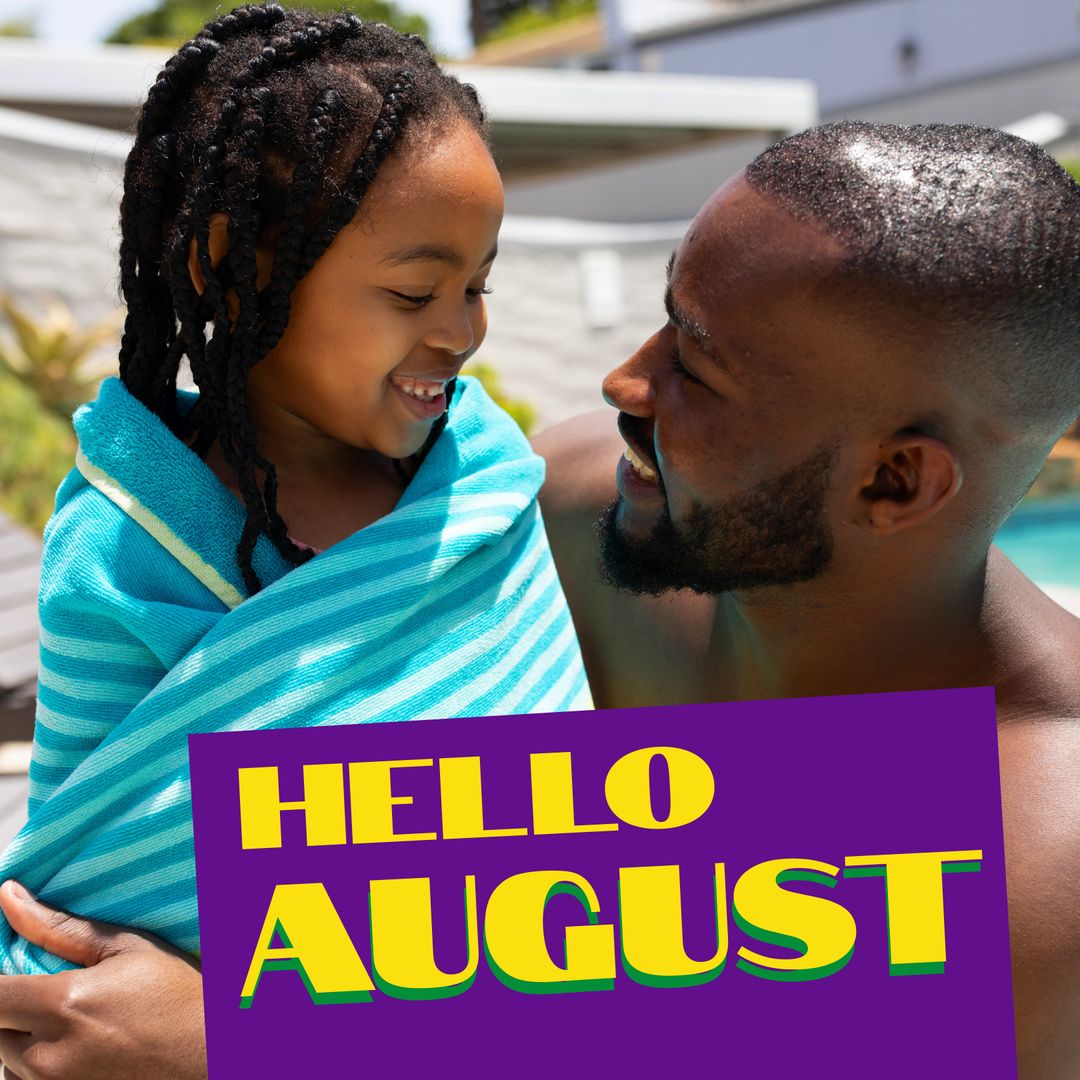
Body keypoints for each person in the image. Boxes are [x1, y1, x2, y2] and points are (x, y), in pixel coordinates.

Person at [1, 121, 1078, 1077]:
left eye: (699, 371)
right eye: (668, 319)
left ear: (893, 483)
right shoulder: (570, 520)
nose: (624, 382)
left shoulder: (1030, 843)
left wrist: (250, 1043)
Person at [0, 2, 589, 982]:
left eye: (479, 286)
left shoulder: (478, 478)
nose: (462, 331)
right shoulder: (130, 547)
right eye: (414, 293)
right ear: (229, 266)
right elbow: (83, 872)